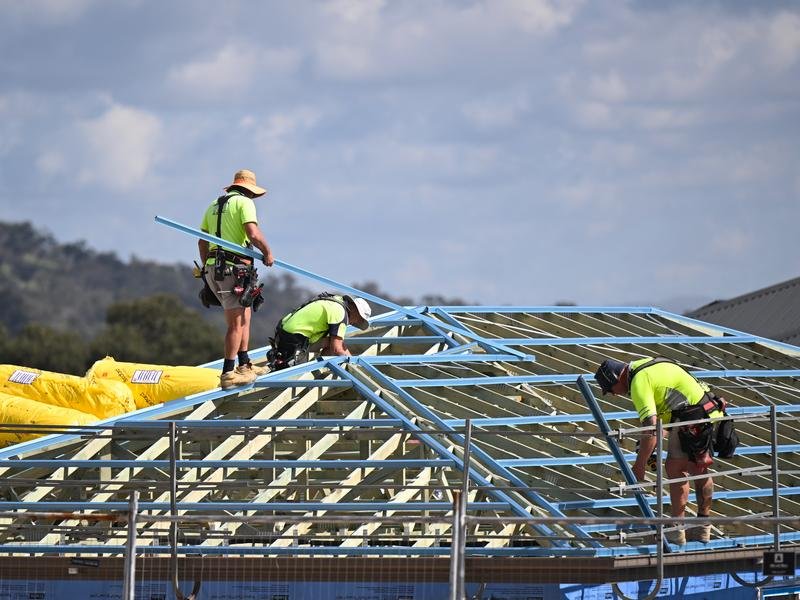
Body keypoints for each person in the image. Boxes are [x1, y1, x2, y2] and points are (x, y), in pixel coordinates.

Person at [594, 357, 727, 545]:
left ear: (616, 378)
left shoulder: (639, 382)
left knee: (675, 468)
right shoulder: (645, 365)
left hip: (692, 416)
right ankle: (702, 526)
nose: (613, 395)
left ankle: (676, 529)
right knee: (698, 469)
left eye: (610, 390)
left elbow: (651, 428)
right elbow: (664, 416)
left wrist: (639, 467)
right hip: (708, 410)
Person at [199, 169, 275, 389]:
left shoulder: (212, 206)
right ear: (249, 191)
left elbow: (202, 243)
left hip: (217, 268)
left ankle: (245, 364)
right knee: (236, 323)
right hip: (233, 270)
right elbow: (253, 233)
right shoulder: (244, 203)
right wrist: (268, 253)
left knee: (245, 316)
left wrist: (206, 268)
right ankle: (228, 372)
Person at [267, 293, 371, 370]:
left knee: (329, 342)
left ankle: (320, 367)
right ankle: (318, 369)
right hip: (295, 339)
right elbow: (337, 348)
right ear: (355, 311)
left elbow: (335, 344)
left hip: (284, 334)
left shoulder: (335, 302)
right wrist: (353, 365)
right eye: (359, 319)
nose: (356, 322)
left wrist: (350, 358)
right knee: (296, 376)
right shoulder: (340, 313)